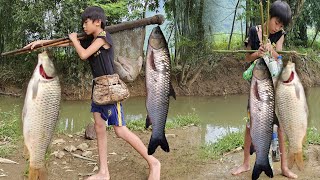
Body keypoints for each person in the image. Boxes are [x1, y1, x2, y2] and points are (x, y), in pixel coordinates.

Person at [25, 6, 160, 180]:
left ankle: (153, 162)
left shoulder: (103, 38)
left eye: (86, 22)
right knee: (99, 128)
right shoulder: (90, 39)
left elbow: (83, 54)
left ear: (98, 22)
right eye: (82, 23)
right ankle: (104, 172)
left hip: (111, 90)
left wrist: (74, 39)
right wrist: (40, 42)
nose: (83, 26)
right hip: (98, 89)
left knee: (121, 131)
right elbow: (64, 42)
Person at [231, 1, 298, 179]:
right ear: (268, 17)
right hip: (257, 86)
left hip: (274, 86)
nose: (278, 27)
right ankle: (246, 163)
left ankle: (283, 167)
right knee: (250, 124)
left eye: (282, 25)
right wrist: (259, 52)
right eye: (277, 22)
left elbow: (279, 57)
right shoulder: (254, 31)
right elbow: (247, 58)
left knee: (280, 125)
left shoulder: (280, 35)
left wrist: (272, 50)